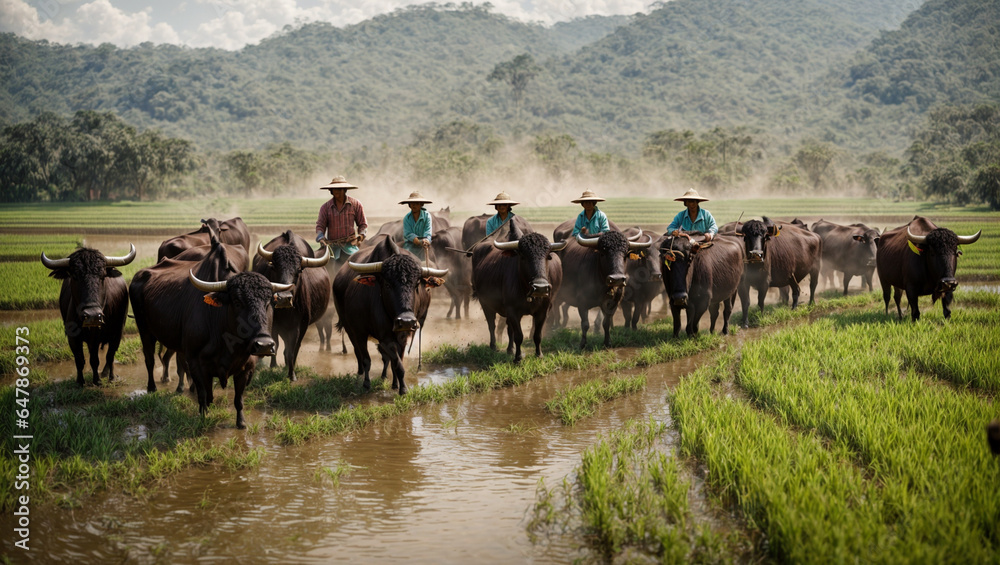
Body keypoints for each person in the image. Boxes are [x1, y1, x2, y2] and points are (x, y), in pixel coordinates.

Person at [316, 175, 368, 262]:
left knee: (360, 263)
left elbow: (363, 225)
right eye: (335, 189)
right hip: (332, 247)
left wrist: (360, 236)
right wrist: (321, 238)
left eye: (340, 189)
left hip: (350, 246)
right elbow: (320, 226)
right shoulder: (325, 208)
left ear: (345, 190)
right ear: (331, 191)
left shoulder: (356, 204)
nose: (337, 191)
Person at [399, 190, 433, 261]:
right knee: (405, 258)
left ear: (421, 204)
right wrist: (416, 240)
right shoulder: (407, 218)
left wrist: (426, 240)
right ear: (409, 205)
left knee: (432, 258)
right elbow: (408, 233)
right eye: (412, 203)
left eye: (416, 203)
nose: (414, 205)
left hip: (424, 244)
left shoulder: (427, 216)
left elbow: (428, 231)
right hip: (410, 245)